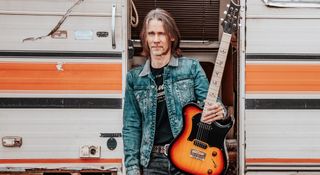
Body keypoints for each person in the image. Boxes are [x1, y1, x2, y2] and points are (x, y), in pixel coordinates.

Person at [123, 8, 228, 175]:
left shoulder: (191, 68)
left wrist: (219, 111)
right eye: (151, 34)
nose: (156, 40)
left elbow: (210, 104)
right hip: (152, 162)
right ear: (145, 37)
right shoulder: (134, 79)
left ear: (171, 37)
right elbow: (131, 126)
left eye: (161, 34)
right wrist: (132, 168)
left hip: (188, 157)